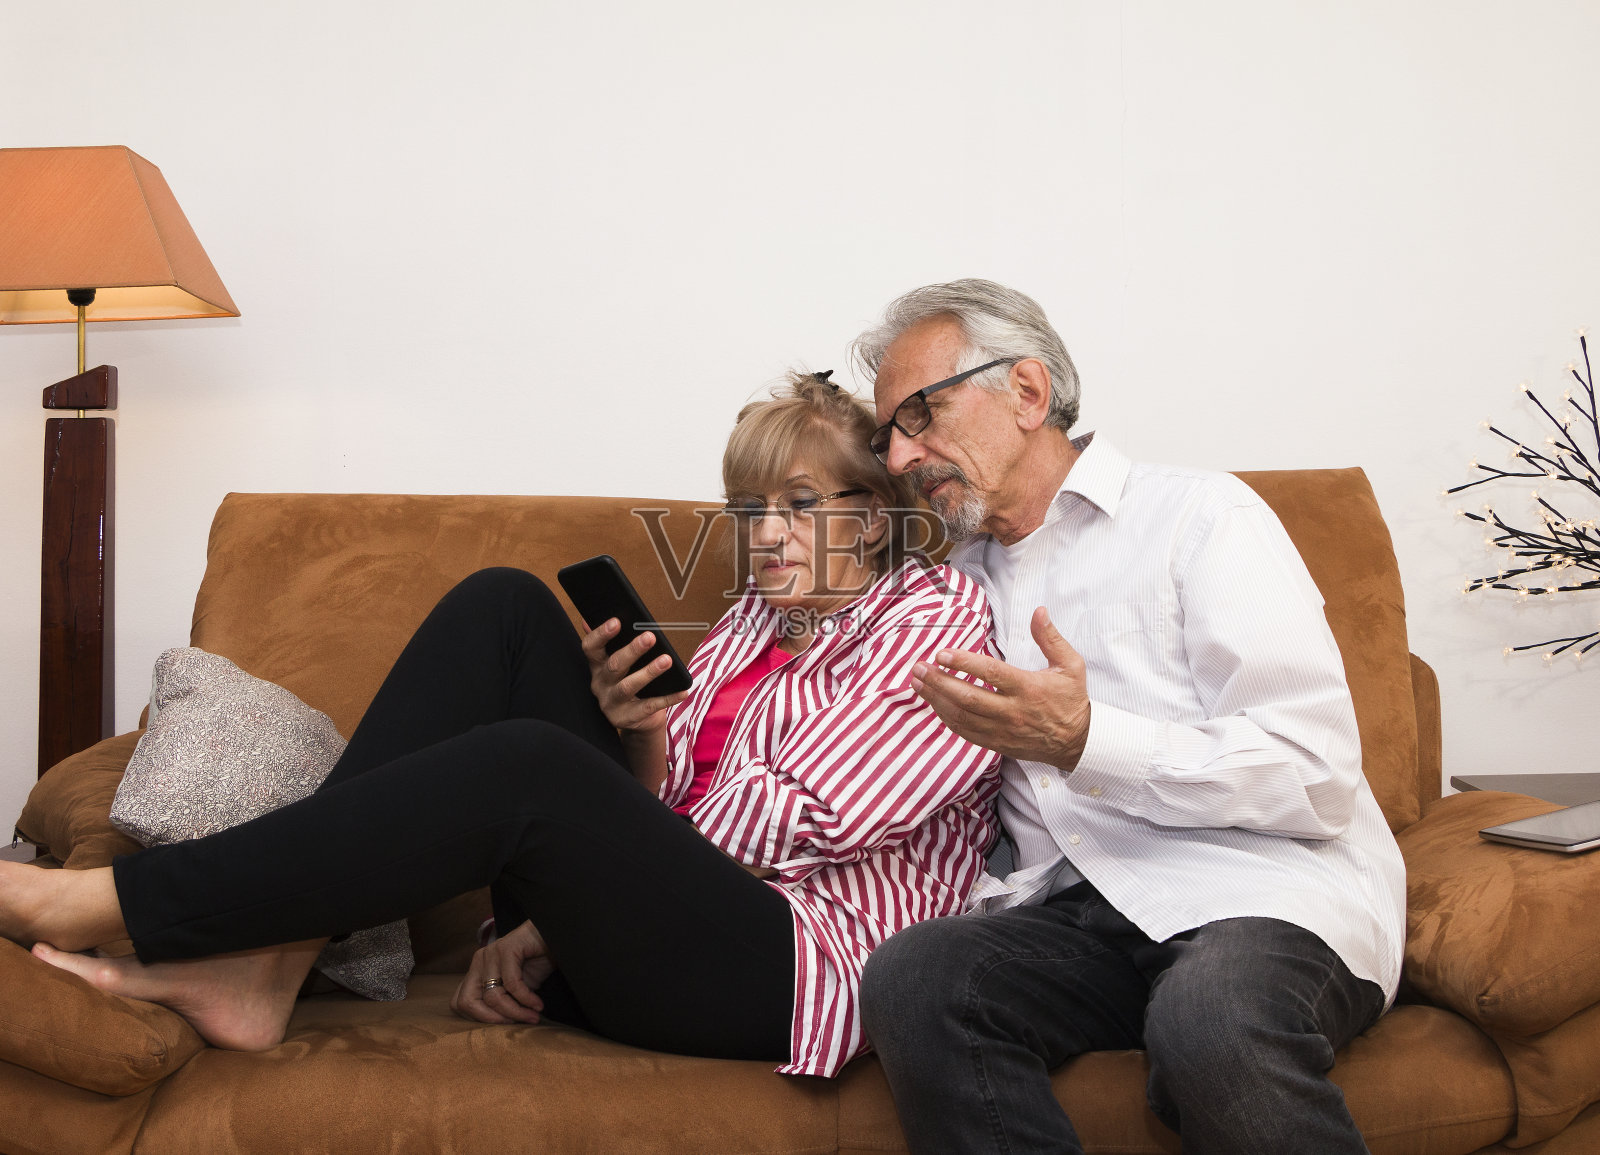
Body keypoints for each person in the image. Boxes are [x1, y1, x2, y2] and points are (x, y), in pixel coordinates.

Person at [0, 371, 1001, 1080]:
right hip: (667, 945)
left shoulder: (939, 617)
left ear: (869, 519)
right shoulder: (749, 626)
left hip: (788, 974)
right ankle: (271, 963)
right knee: (505, 609)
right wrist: (638, 739)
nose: (765, 534)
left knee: (532, 767)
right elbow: (668, 821)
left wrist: (547, 915)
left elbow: (804, 821)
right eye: (746, 508)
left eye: (795, 504)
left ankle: (108, 903)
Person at [851, 280, 1407, 1153]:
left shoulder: (1199, 517)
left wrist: (1086, 740)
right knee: (918, 976)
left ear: (1028, 392)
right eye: (887, 433)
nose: (897, 455)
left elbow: (1315, 770)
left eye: (920, 414)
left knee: (1209, 1020)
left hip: (1257, 891)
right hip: (1080, 914)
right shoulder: (946, 589)